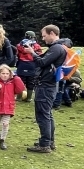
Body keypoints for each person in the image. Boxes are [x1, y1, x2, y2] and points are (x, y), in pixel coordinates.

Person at [27, 25, 68, 153]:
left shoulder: (56, 48)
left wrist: (32, 53)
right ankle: (49, 141)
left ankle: (45, 144)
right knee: (47, 114)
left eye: (44, 36)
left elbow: (42, 63)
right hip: (49, 85)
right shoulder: (58, 48)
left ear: (52, 33)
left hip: (46, 85)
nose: (43, 39)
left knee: (43, 115)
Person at [0, 64, 25, 150]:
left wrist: (16, 77)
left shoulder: (13, 82)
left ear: (10, 74)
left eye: (7, 73)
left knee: (5, 124)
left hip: (9, 107)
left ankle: (2, 140)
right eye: (3, 73)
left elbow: (20, 89)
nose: (5, 75)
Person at [14, 30, 42, 100]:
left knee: (20, 81)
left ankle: (19, 98)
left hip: (22, 64)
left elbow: (17, 53)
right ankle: (29, 98)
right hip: (32, 64)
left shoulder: (20, 45)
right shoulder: (37, 46)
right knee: (31, 81)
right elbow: (39, 55)